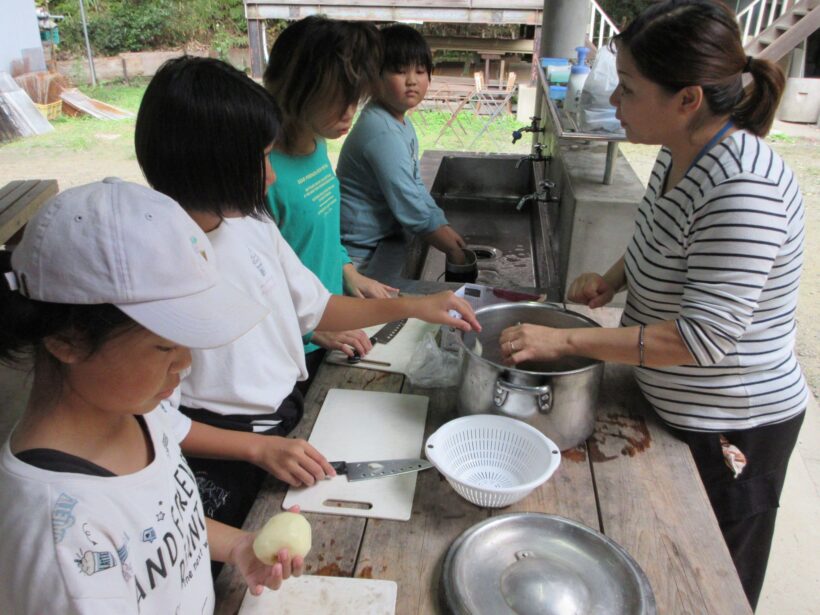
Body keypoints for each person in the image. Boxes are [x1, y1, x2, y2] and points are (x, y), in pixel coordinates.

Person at [497, 1, 807, 608]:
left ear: (688, 98)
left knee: (711, 584)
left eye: (629, 89)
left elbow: (699, 339)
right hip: (671, 406)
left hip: (732, 427)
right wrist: (612, 280)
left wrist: (567, 339)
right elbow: (662, 235)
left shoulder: (744, 186)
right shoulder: (679, 149)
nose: (614, 102)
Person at [134, 56, 480, 531]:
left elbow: (316, 306)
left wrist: (415, 305)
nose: (272, 176)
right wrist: (257, 449)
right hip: (221, 442)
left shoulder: (250, 224)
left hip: (283, 416)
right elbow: (152, 421)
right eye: (259, 161)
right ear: (207, 162)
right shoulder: (153, 270)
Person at [0, 179, 304, 614]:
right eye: (164, 346)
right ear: (67, 339)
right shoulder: (62, 539)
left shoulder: (139, 412)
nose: (186, 363)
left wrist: (241, 546)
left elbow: (159, 525)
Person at [264, 16, 397, 387]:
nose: (349, 114)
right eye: (337, 100)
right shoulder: (262, 170)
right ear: (297, 87)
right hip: (291, 349)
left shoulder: (316, 140)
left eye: (355, 99)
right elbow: (249, 283)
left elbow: (318, 234)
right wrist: (310, 330)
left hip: (330, 320)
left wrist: (348, 271)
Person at [336, 23, 467, 271]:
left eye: (420, 71)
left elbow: (415, 184)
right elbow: (408, 203)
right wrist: (450, 247)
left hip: (374, 245)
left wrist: (443, 225)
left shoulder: (399, 123)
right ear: (376, 77)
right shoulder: (382, 131)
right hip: (358, 256)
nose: (412, 81)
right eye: (399, 71)